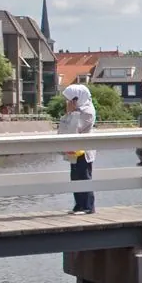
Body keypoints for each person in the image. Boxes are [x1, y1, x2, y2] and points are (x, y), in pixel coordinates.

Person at [59, 84, 97, 215]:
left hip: (84, 150)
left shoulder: (88, 112)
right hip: (74, 150)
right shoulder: (76, 111)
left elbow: (74, 129)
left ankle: (88, 206)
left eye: (70, 99)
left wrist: (72, 113)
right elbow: (62, 129)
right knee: (74, 176)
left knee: (84, 176)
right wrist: (70, 113)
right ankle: (79, 205)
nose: (68, 102)